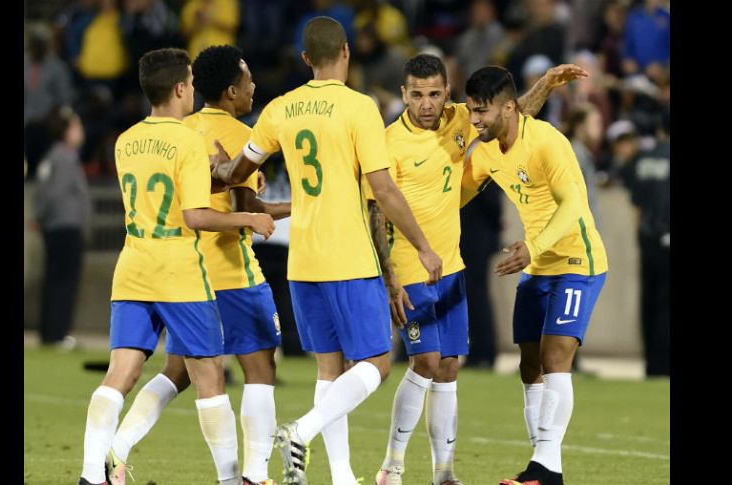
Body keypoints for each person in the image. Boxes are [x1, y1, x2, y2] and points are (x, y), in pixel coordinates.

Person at [213, 16, 443, 485]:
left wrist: (221, 169)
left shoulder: (281, 108)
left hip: (303, 259)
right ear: (346, 52)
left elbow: (241, 169)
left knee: (329, 368)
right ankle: (303, 429)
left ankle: (342, 477)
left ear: (305, 59)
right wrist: (422, 245)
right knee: (377, 362)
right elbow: (383, 189)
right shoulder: (359, 108)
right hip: (349, 255)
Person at [371, 55, 587, 485]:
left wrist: (545, 83)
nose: (426, 103)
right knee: (425, 362)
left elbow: (512, 110)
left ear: (446, 93)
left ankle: (445, 473)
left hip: (450, 266)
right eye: (416, 94)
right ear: (403, 94)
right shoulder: (388, 142)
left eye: (434, 94)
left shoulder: (460, 119)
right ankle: (391, 467)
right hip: (410, 268)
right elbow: (375, 212)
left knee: (449, 367)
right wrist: (390, 278)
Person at [77, 47, 275, 485]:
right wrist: (247, 215)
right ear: (182, 88)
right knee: (209, 380)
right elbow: (194, 216)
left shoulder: (125, 140)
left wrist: (222, 174)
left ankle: (92, 475)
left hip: (132, 267)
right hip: (179, 271)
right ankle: (229, 479)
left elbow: (167, 181)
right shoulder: (187, 138)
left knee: (120, 374)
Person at [461, 66, 608, 485]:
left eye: (482, 112)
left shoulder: (547, 142)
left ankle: (543, 469)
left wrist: (532, 248)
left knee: (555, 355)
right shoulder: (487, 151)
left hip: (578, 261)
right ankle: (544, 467)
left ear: (508, 108)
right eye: (472, 112)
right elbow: (457, 195)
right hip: (538, 265)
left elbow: (574, 207)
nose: (475, 121)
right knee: (529, 365)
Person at [34, 106, 90, 349]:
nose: (81, 131)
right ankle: (57, 334)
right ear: (65, 131)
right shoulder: (65, 157)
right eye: (76, 127)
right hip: (66, 227)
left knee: (53, 280)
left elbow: (43, 192)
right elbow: (55, 194)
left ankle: (49, 332)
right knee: (65, 282)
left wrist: (41, 217)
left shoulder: (51, 156)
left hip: (55, 228)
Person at [620, 111, 669, 377]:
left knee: (648, 302)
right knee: (666, 305)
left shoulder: (642, 158)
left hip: (647, 239)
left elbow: (633, 199)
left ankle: (651, 364)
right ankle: (665, 366)